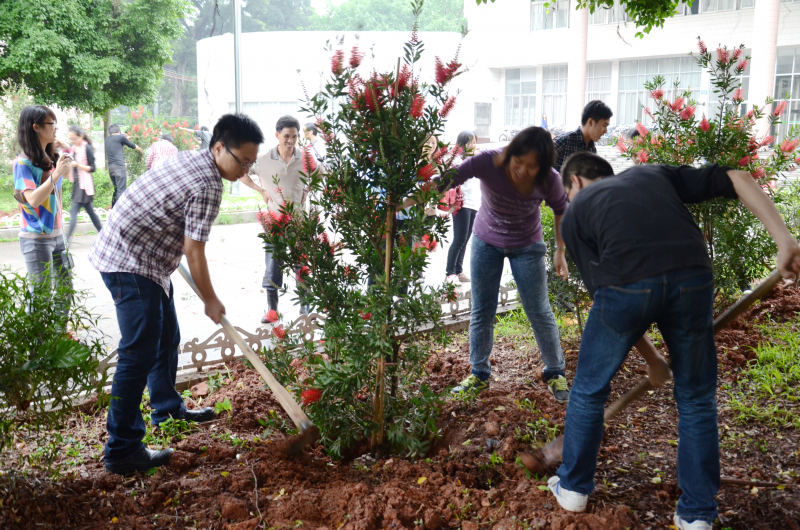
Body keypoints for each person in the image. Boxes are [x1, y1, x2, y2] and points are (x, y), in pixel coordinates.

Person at [549, 152, 800, 529]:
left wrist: (652, 359)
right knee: (696, 397)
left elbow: (609, 297)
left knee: (588, 389)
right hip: (691, 273)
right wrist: (784, 240)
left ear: (576, 183)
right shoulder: (651, 174)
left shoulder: (577, 212)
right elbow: (738, 177)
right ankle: (697, 514)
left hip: (626, 285)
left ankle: (573, 488)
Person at [89, 113, 264, 475]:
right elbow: (194, 250)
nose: (246, 169)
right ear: (219, 148)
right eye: (242, 161)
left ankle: (167, 410)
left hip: (146, 257)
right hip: (130, 261)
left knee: (167, 336)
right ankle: (122, 449)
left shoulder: (193, 158)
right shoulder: (209, 184)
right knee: (137, 354)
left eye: (251, 163)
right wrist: (211, 299)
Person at [412, 127, 571, 403]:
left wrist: (560, 250)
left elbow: (560, 209)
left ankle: (555, 371)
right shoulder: (488, 160)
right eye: (518, 161)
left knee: (538, 310)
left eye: (532, 166)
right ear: (510, 153)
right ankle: (479, 373)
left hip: (527, 246)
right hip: (486, 242)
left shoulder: (550, 179)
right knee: (482, 310)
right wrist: (405, 201)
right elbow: (449, 178)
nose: (522, 170)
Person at [13, 105, 74, 311]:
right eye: (51, 123)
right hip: (36, 238)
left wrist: (63, 161)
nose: (56, 127)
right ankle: (36, 333)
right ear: (36, 127)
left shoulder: (50, 160)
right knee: (41, 296)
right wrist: (56, 174)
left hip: (57, 235)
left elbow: (62, 184)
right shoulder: (23, 162)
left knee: (66, 290)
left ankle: (58, 331)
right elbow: (33, 200)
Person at [253, 115, 311, 321]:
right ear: (277, 135)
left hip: (299, 222)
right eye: (286, 136)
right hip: (274, 223)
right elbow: (241, 171)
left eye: (294, 136)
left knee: (302, 264)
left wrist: (307, 189)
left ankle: (305, 307)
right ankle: (272, 309)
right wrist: (260, 190)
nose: (291, 140)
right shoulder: (263, 159)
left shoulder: (305, 157)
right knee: (273, 265)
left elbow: (321, 173)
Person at [445, 131, 481, 285]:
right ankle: (449, 273)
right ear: (462, 144)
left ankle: (458, 271)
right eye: (469, 142)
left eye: (474, 142)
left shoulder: (476, 159)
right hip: (461, 203)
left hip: (474, 203)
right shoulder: (456, 159)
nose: (472, 145)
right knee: (459, 238)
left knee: (465, 239)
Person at [65, 125, 103, 241]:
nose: (72, 141)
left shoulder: (87, 148)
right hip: (77, 185)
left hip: (85, 186)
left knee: (73, 212)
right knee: (91, 213)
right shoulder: (73, 149)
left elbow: (92, 168)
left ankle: (66, 240)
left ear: (81, 136)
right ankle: (104, 234)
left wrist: (78, 165)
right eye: (71, 139)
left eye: (74, 138)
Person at [553, 100, 612, 170]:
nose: (605, 131)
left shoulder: (592, 149)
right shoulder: (563, 142)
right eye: (604, 126)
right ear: (591, 122)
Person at [105, 124, 143, 206]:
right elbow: (132, 145)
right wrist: (140, 150)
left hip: (111, 168)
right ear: (119, 131)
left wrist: (125, 139)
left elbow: (117, 144)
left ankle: (114, 208)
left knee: (116, 189)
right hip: (119, 167)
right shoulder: (121, 137)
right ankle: (120, 209)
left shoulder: (107, 140)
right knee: (121, 190)